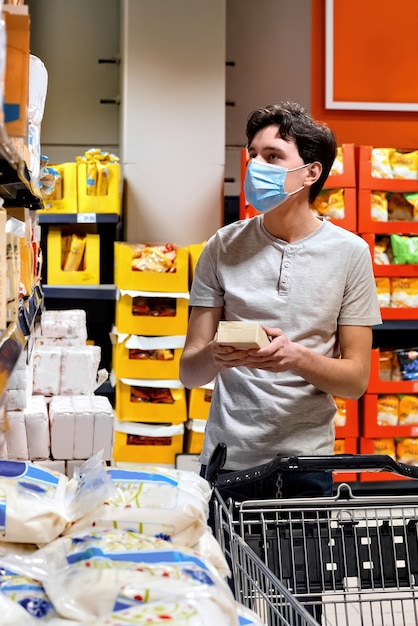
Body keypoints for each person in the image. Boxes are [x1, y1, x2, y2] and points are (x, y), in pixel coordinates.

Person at [179, 101, 382, 504]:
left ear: (311, 172)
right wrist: (218, 355)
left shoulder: (350, 253)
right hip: (228, 462)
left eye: (273, 156)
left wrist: (295, 357)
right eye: (253, 154)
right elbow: (189, 372)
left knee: (300, 569)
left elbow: (357, 381)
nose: (256, 165)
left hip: (308, 466)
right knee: (230, 569)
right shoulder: (222, 246)